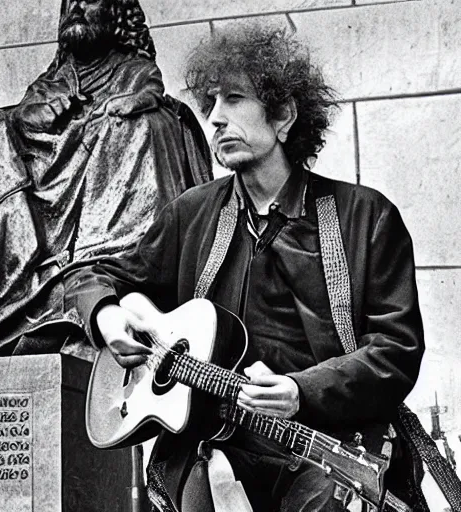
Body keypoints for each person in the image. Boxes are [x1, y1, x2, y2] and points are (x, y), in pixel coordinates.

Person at [64, 26, 426, 511]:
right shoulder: (192, 213)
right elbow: (92, 276)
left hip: (332, 452)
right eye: (211, 102)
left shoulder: (366, 216)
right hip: (210, 449)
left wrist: (302, 390)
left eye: (233, 99)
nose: (214, 118)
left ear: (283, 116)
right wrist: (108, 317)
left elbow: (396, 350)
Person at [0, 0, 212, 358]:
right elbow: (28, 117)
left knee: (141, 126)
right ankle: (6, 274)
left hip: (100, 179)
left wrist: (127, 106)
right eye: (68, 2)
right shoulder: (55, 78)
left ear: (116, 16)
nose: (75, 8)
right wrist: (32, 115)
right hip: (47, 174)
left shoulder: (131, 69)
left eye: (88, 0)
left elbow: (148, 95)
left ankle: (100, 267)